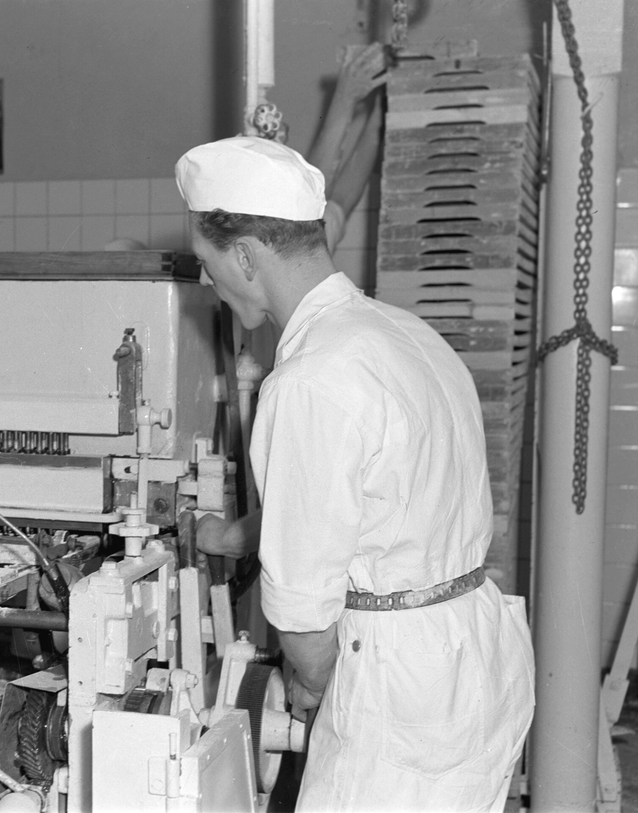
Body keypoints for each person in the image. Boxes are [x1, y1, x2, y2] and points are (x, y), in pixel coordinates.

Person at [176, 136, 534, 811]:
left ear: (245, 256)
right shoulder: (407, 335)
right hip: (475, 648)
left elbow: (304, 619)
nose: (205, 279)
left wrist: (312, 685)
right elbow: (369, 503)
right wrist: (226, 535)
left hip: (401, 691)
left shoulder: (309, 381)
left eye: (206, 260)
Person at [307, 43, 388, 253]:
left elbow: (341, 202)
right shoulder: (288, 239)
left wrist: (381, 111)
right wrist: (345, 98)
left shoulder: (320, 236)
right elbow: (309, 205)